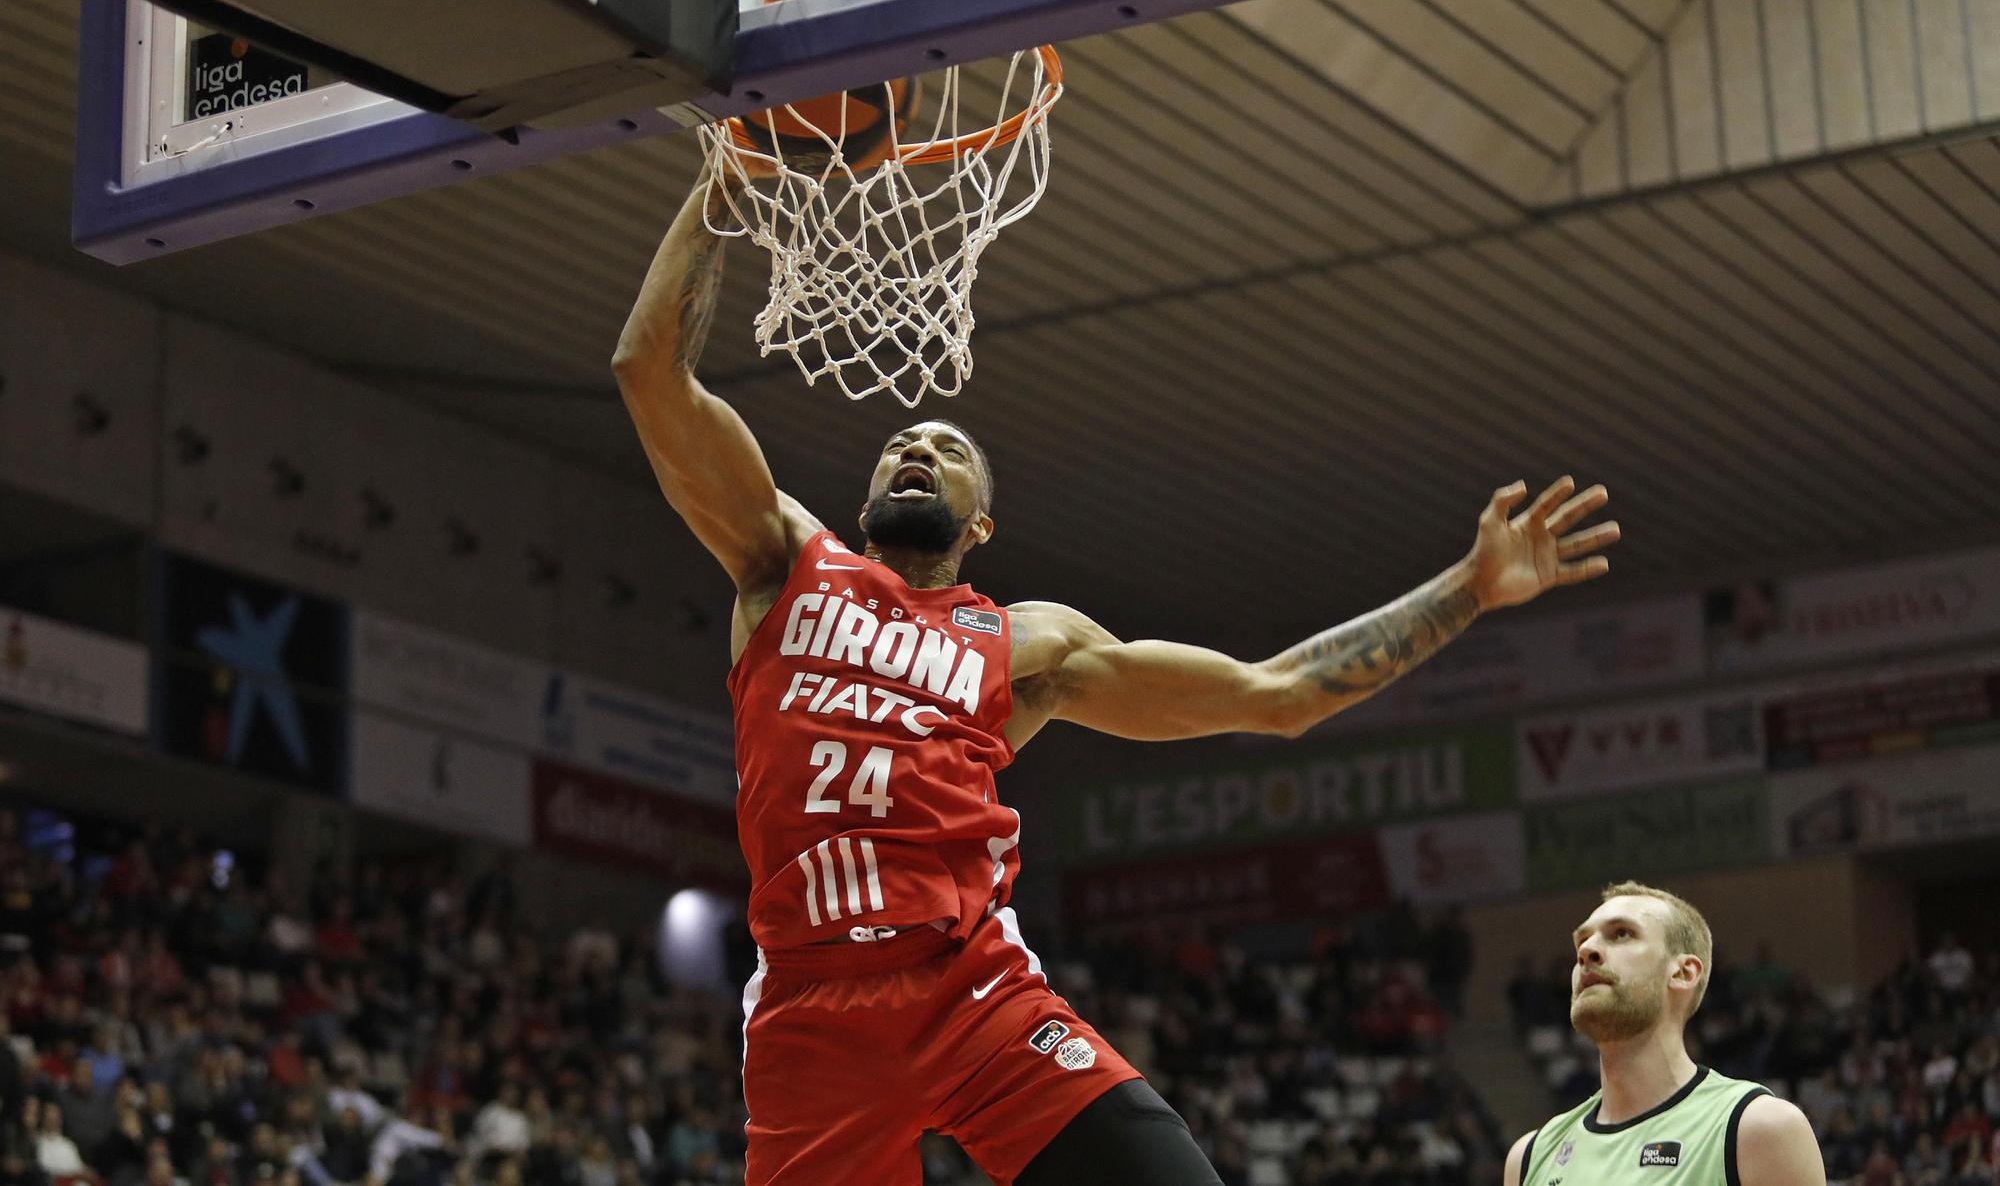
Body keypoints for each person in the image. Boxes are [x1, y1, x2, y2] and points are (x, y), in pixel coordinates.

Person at [614, 174, 1624, 1186]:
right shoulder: (785, 561)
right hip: (809, 1006)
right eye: (898, 444)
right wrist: (720, 188)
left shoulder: (1027, 644)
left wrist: (1471, 587)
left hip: (966, 987)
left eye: (948, 449)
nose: (917, 445)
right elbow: (648, 370)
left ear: (979, 524)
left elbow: (1275, 694)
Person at [1502, 882, 1827, 1186]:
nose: (1587, 951)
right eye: (1581, 941)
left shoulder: (1758, 1129)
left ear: (1684, 973)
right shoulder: (1529, 1158)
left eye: (1621, 934)